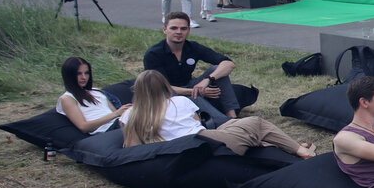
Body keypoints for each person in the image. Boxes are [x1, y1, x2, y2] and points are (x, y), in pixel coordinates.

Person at [121, 70, 314, 158]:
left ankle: (291, 145)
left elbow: (131, 147)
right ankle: (301, 151)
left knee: (236, 125)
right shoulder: (178, 101)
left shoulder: (130, 114)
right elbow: (198, 125)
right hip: (202, 142)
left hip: (185, 145)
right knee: (256, 123)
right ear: (165, 87)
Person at [143, 11, 240, 120]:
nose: (179, 32)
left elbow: (229, 64)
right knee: (195, 98)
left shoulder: (192, 47)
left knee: (217, 70)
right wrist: (196, 91)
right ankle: (223, 122)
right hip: (167, 94)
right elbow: (160, 88)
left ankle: (232, 116)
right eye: (174, 28)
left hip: (189, 85)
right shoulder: (154, 54)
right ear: (165, 30)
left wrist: (208, 80)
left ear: (188, 30)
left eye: (183, 29)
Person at [56, 57, 130, 135]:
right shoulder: (67, 98)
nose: (84, 77)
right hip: (107, 129)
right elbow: (83, 127)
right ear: (69, 75)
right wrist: (116, 114)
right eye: (79, 74)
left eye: (86, 73)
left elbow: (116, 113)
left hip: (119, 123)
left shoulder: (96, 91)